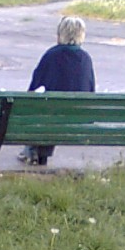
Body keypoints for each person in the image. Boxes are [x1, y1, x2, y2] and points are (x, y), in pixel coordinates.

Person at [18, 16, 96, 166]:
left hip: (52, 117)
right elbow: (90, 90)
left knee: (42, 110)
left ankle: (32, 151)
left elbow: (33, 88)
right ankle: (34, 152)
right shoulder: (86, 58)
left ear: (60, 34)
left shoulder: (51, 55)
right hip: (78, 118)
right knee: (52, 111)